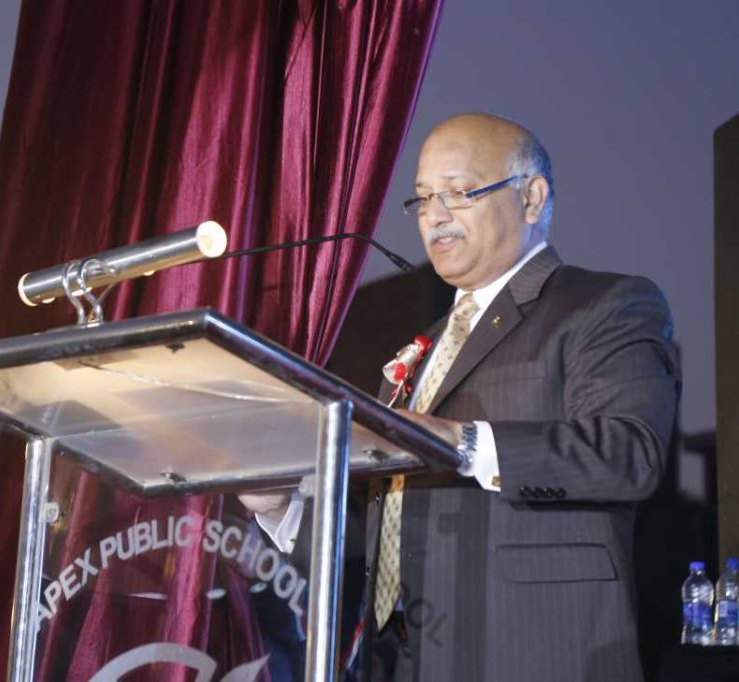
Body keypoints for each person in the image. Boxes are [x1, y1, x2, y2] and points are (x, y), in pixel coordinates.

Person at [245, 112, 680, 681]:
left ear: (531, 197)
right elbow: (380, 528)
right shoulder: (419, 352)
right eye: (423, 198)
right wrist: (282, 506)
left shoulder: (604, 305)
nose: (435, 215)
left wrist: (463, 442)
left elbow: (630, 454)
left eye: (458, 192)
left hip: (535, 652)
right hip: (405, 657)